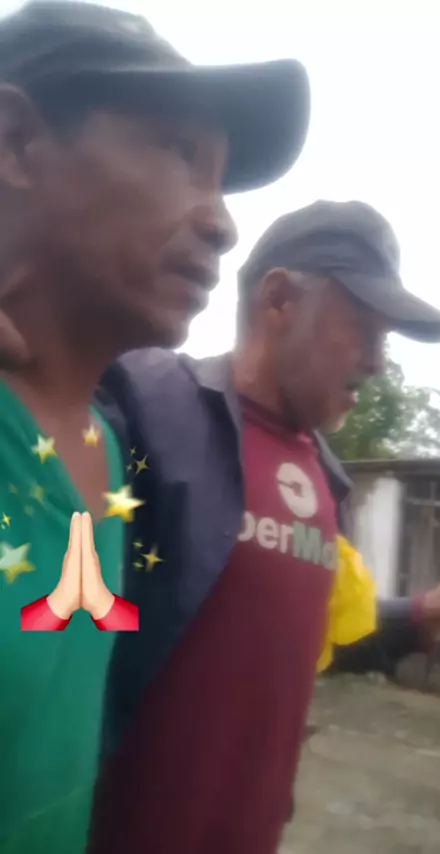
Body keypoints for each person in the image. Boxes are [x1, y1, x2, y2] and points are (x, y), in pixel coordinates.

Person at [0, 2, 310, 851]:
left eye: (222, 178)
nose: (223, 222)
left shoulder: (113, 447)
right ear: (17, 141)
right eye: (179, 151)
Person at [91, 199, 440, 854]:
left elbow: (303, 636)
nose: (378, 362)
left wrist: (421, 615)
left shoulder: (327, 476)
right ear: (278, 300)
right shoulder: (145, 401)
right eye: (365, 329)